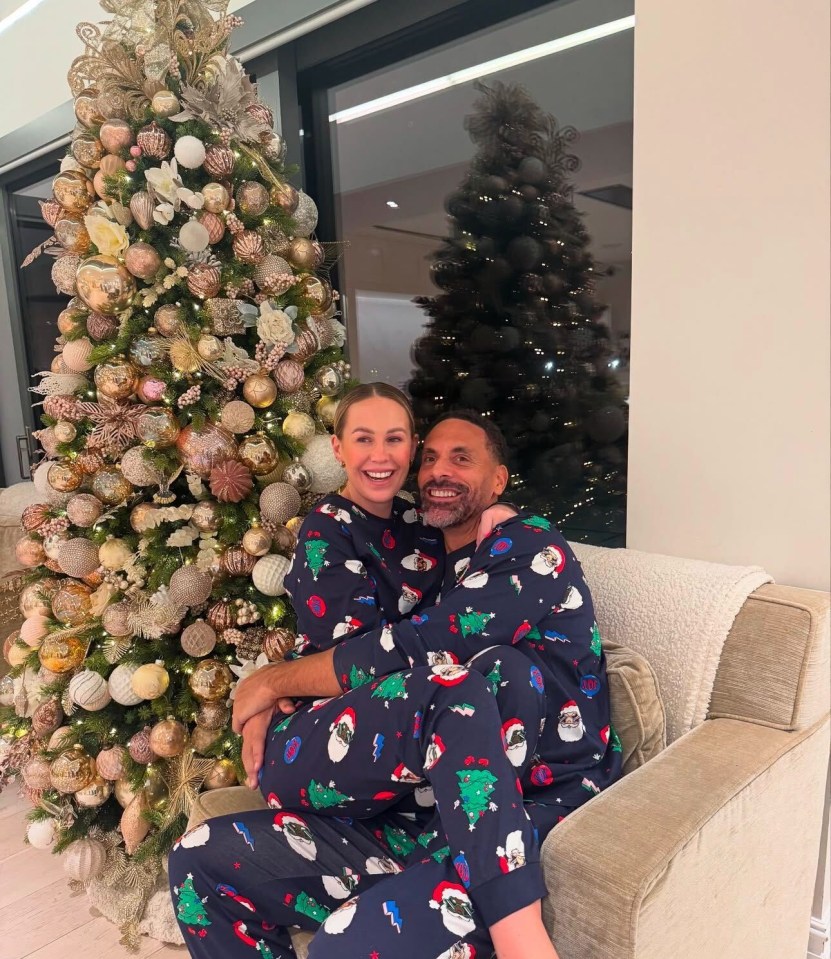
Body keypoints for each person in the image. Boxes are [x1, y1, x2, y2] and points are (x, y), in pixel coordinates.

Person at [169, 405, 621, 959]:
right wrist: (278, 687)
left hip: (519, 813)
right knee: (198, 860)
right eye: (429, 457)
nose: (439, 470)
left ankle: (521, 939)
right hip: (411, 809)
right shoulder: (427, 567)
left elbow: (421, 648)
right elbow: (366, 652)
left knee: (343, 947)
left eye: (462, 458)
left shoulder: (530, 547)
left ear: (499, 479)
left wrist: (270, 681)